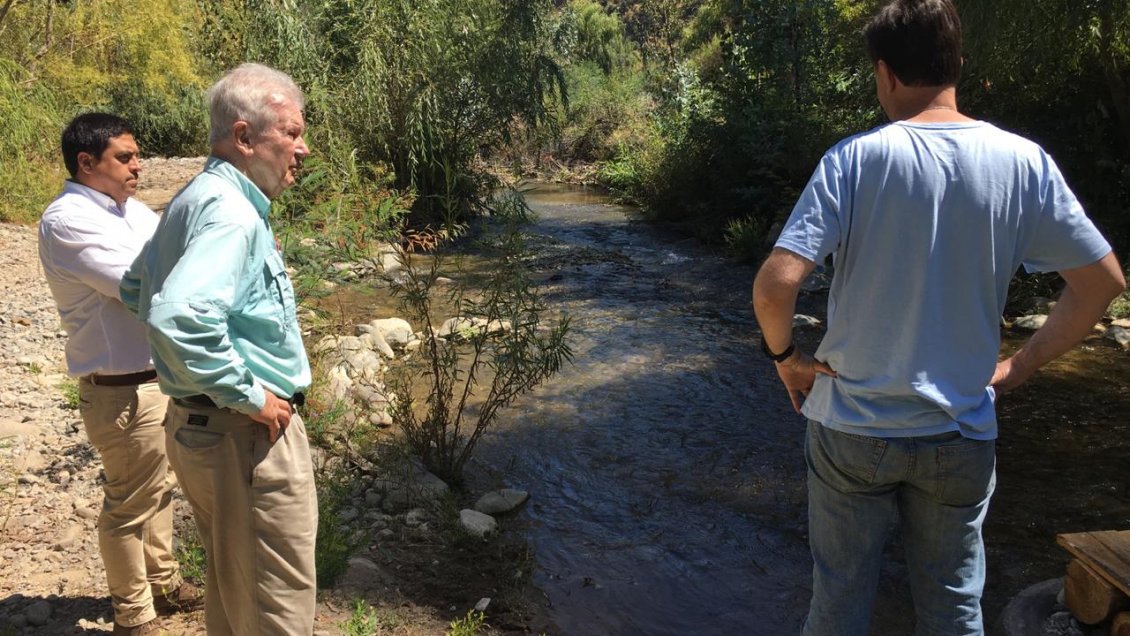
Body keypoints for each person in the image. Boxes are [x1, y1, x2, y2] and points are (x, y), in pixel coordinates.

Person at [751, 1, 1126, 634]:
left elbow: (774, 287)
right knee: (953, 608)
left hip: (852, 427)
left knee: (838, 604)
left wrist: (788, 361)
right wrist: (1019, 367)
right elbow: (1103, 284)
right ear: (957, 65)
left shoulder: (853, 159)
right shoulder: (1024, 162)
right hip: (960, 431)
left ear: (885, 73)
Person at [120, 63, 316, 635]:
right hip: (242, 437)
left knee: (235, 597)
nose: (303, 149)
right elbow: (178, 316)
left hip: (203, 430)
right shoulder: (231, 213)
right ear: (244, 137)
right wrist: (251, 396)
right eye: (292, 133)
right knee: (276, 613)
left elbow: (136, 287)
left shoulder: (197, 196)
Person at [38, 113, 199, 636]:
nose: (138, 166)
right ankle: (134, 615)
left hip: (157, 378)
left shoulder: (131, 211)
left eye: (137, 155)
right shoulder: (68, 220)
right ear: (87, 163)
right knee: (129, 503)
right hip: (122, 389)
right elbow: (144, 286)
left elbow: (176, 260)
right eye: (125, 157)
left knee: (159, 489)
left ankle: (163, 583)